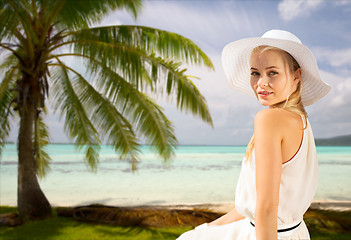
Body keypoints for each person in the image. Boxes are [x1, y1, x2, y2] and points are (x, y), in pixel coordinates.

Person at [176, 29, 331, 240]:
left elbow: (267, 207)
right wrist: (207, 228)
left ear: (297, 75)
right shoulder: (302, 122)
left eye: (272, 72)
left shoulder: (269, 119)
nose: (261, 83)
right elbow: (253, 205)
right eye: (255, 73)